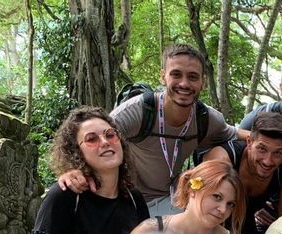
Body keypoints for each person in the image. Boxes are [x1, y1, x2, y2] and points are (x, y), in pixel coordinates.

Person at [59, 44, 240, 217]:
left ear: (203, 83)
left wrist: (261, 139)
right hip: (125, 199)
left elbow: (238, 134)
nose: (184, 84)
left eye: (193, 77)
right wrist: (71, 170)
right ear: (163, 77)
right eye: (176, 74)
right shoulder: (137, 111)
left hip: (170, 200)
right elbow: (91, 138)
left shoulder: (206, 118)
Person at [29, 106, 149, 234]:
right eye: (92, 139)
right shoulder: (65, 195)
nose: (104, 142)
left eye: (110, 135)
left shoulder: (134, 199)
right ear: (77, 152)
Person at [127, 159, 248, 234]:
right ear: (191, 189)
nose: (223, 209)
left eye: (230, 204)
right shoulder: (148, 233)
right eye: (217, 197)